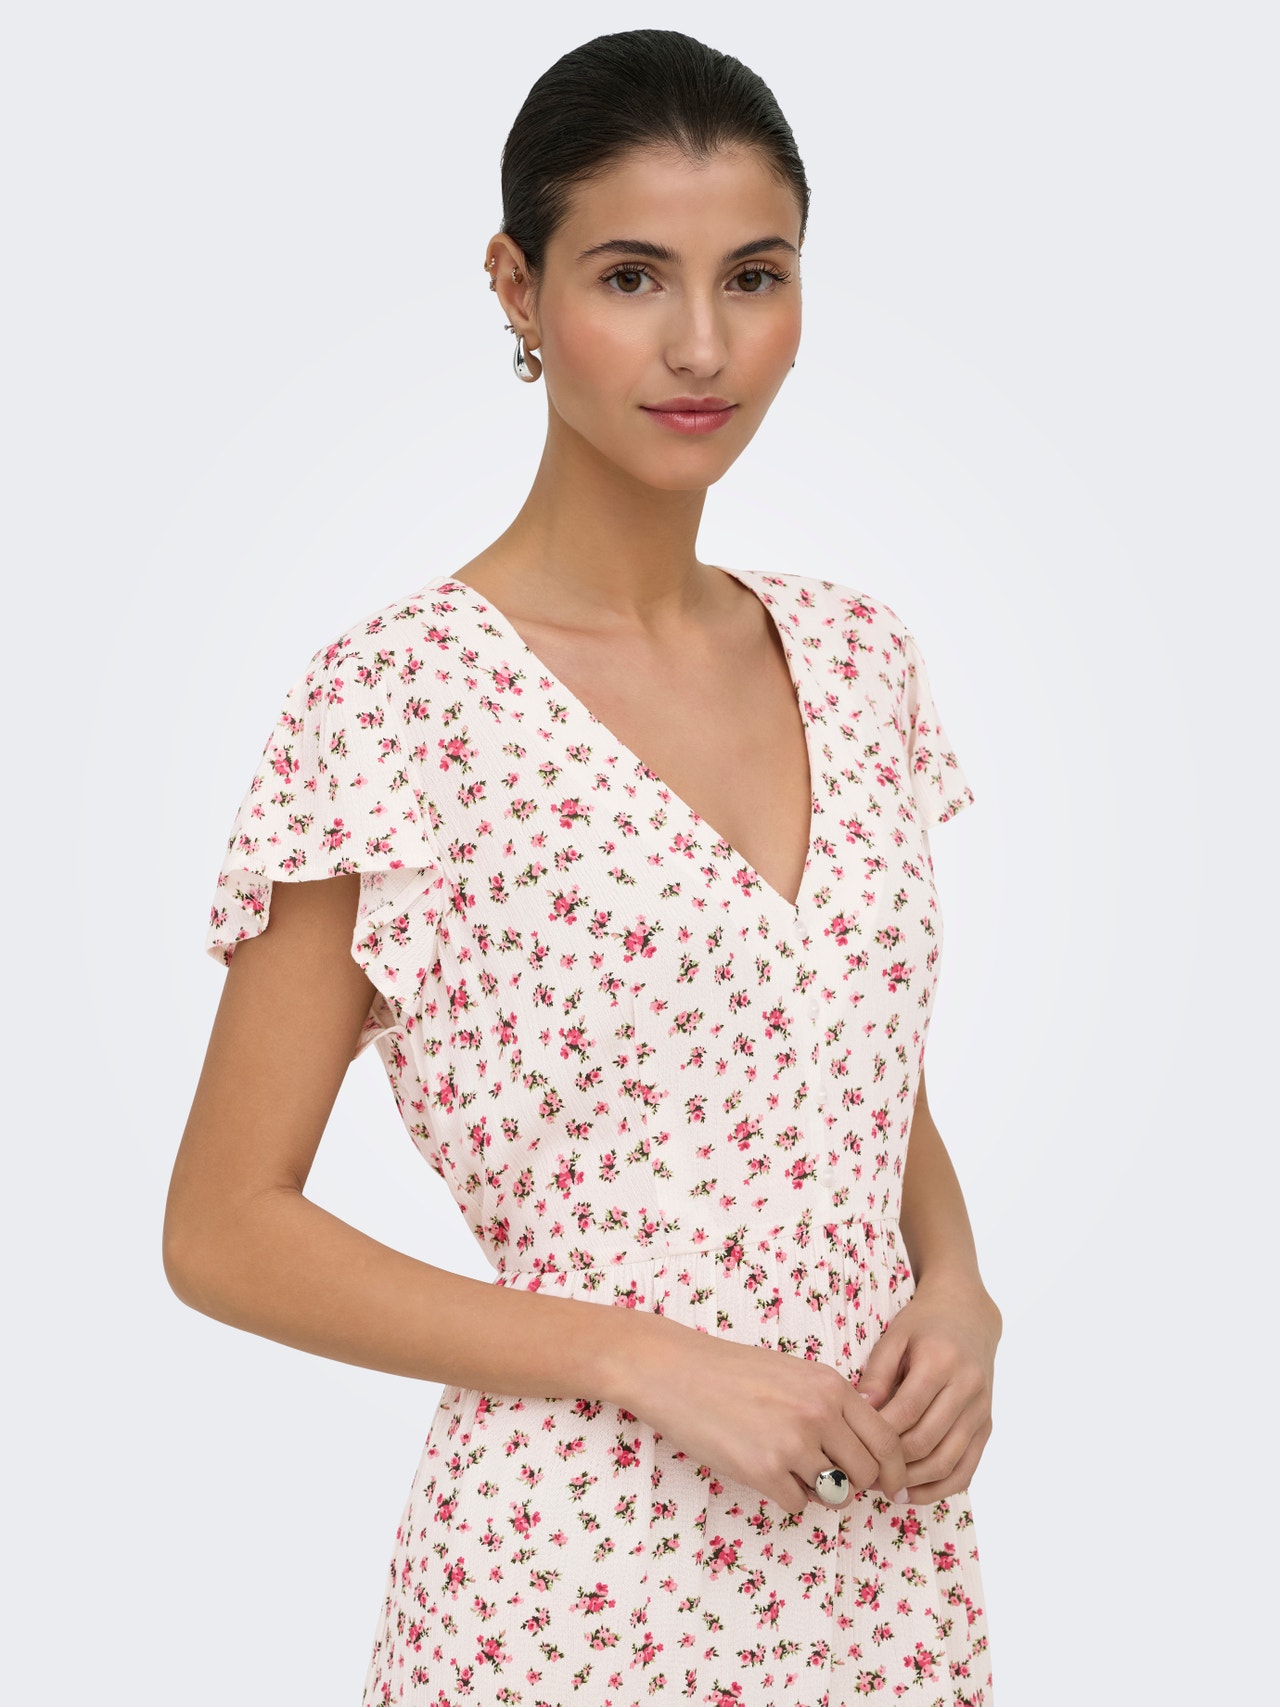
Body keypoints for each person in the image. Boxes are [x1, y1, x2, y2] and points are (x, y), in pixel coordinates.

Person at [165, 27, 1001, 1706]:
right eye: (632, 277)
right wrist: (647, 1361)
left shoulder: (860, 658)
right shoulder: (401, 704)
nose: (703, 345)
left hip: (881, 1565)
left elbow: (831, 1046)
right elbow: (223, 1227)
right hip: (572, 1583)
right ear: (518, 288)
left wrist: (961, 1281)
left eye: (754, 277)